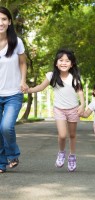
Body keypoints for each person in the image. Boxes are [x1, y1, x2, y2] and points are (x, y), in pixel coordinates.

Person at [28, 48, 85, 172]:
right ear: (56, 62)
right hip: (59, 109)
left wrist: (82, 104)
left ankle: (72, 156)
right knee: (62, 135)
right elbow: (41, 87)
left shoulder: (74, 76)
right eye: (61, 60)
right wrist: (29, 90)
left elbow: (80, 91)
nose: (64, 63)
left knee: (73, 135)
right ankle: (61, 152)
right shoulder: (51, 75)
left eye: (67, 61)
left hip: (73, 109)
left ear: (72, 64)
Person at [0, 7, 28, 173]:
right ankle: (1, 163)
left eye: (4, 19)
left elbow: (23, 63)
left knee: (5, 127)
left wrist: (23, 81)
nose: (0, 23)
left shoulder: (16, 42)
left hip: (13, 94)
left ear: (9, 22)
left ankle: (12, 154)